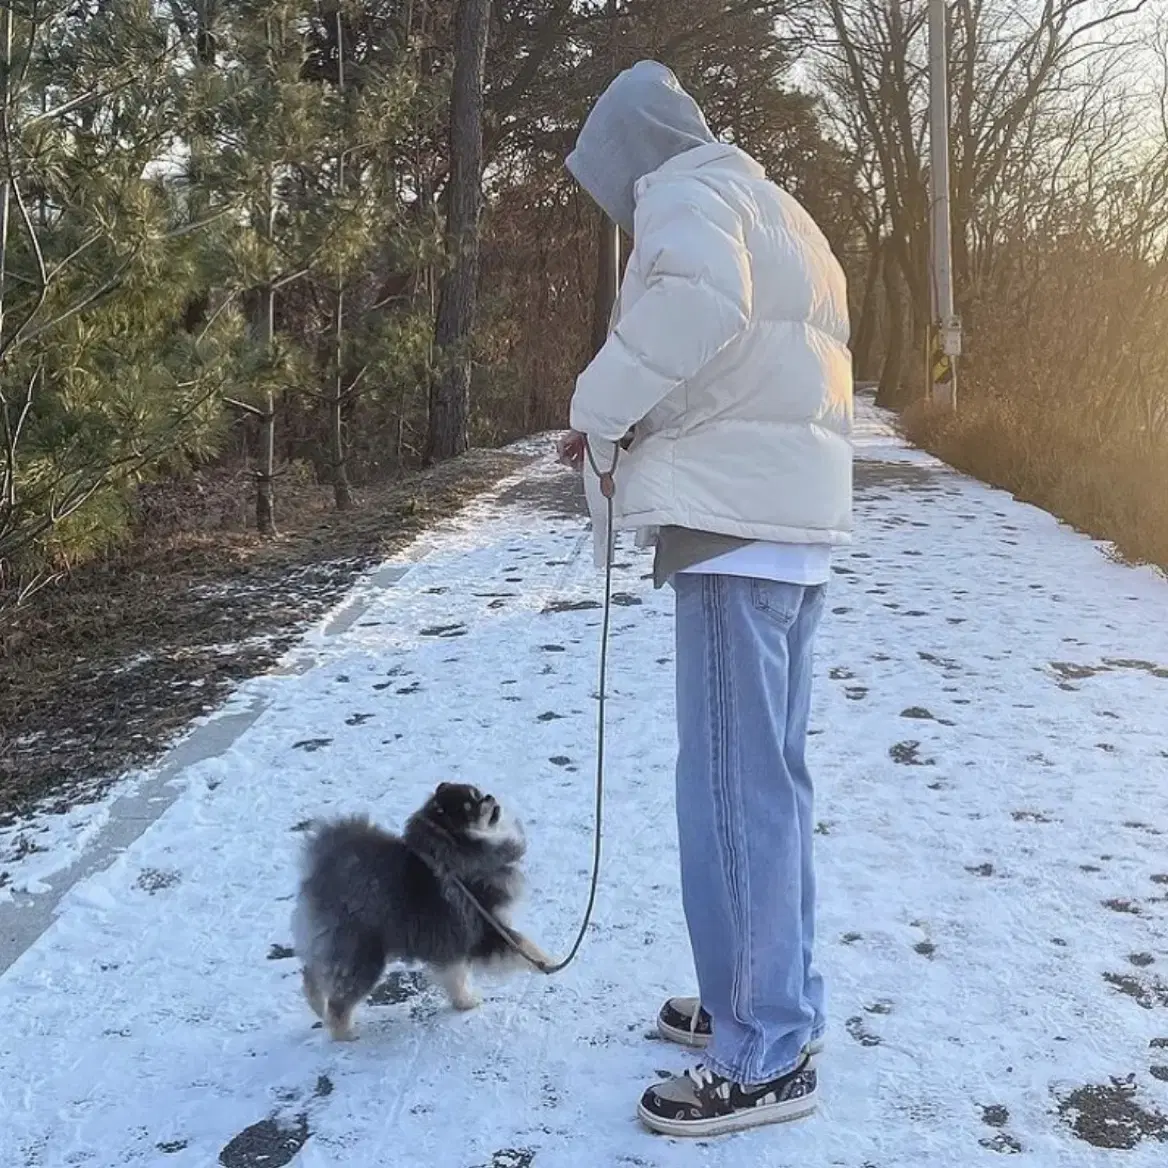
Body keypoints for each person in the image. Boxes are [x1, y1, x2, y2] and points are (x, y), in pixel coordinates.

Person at [559, 61, 853, 1138]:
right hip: (786, 531)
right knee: (767, 786)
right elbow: (756, 357)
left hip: (737, 537)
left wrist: (600, 412)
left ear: (635, 149)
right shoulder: (773, 205)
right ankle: (766, 1001)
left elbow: (700, 308)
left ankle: (764, 1050)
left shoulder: (685, 192)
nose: (619, 206)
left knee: (731, 794)